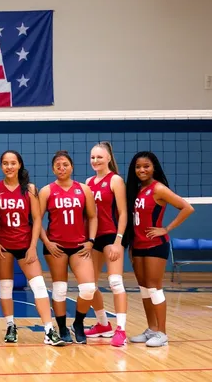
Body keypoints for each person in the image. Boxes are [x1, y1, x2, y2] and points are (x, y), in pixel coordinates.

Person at [0, 150, 66, 346]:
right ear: (1, 166)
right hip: (4, 244)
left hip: (25, 245)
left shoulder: (30, 189)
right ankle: (10, 326)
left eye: (13, 163)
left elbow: (36, 219)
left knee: (39, 286)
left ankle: (49, 330)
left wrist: (33, 246)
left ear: (19, 165)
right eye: (5, 163)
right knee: (6, 287)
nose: (9, 167)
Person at [126, 151, 194, 347]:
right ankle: (151, 330)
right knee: (144, 289)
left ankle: (162, 333)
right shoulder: (136, 190)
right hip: (137, 245)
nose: (142, 170)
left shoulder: (159, 189)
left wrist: (165, 228)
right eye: (138, 167)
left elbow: (187, 208)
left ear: (154, 167)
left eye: (146, 166)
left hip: (155, 245)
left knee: (155, 288)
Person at [39, 150, 98, 345]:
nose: (61, 168)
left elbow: (92, 216)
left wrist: (91, 240)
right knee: (60, 288)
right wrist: (46, 242)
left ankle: (78, 323)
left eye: (65, 164)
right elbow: (36, 220)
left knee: (88, 288)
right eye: (57, 165)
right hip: (56, 247)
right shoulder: (47, 191)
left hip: (80, 246)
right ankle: (62, 327)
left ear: (72, 167)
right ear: (53, 169)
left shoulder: (83, 189)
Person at [84, 142, 128, 347]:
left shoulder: (116, 180)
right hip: (94, 239)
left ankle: (121, 329)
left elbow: (123, 213)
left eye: (99, 157)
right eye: (92, 157)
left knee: (115, 282)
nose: (95, 161)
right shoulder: (88, 182)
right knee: (89, 286)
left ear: (109, 158)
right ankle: (103, 324)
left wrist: (118, 241)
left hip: (111, 237)